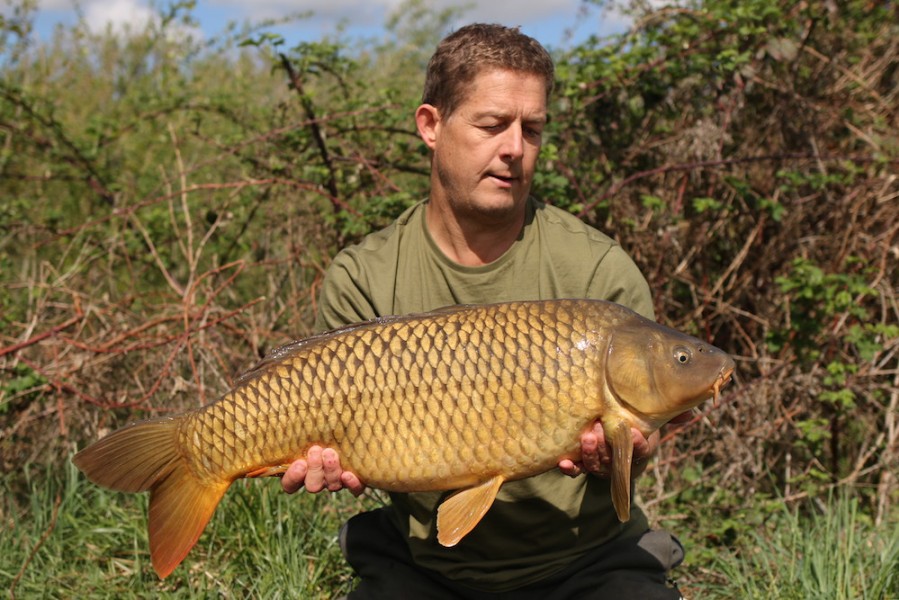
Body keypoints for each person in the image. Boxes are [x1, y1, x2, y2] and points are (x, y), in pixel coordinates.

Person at [281, 23, 686, 599]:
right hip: (424, 565)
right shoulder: (364, 276)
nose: (515, 148)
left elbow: (641, 438)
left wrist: (632, 450)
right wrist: (321, 459)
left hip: (584, 561)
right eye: (492, 125)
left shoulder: (597, 272)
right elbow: (339, 449)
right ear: (431, 125)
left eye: (533, 129)